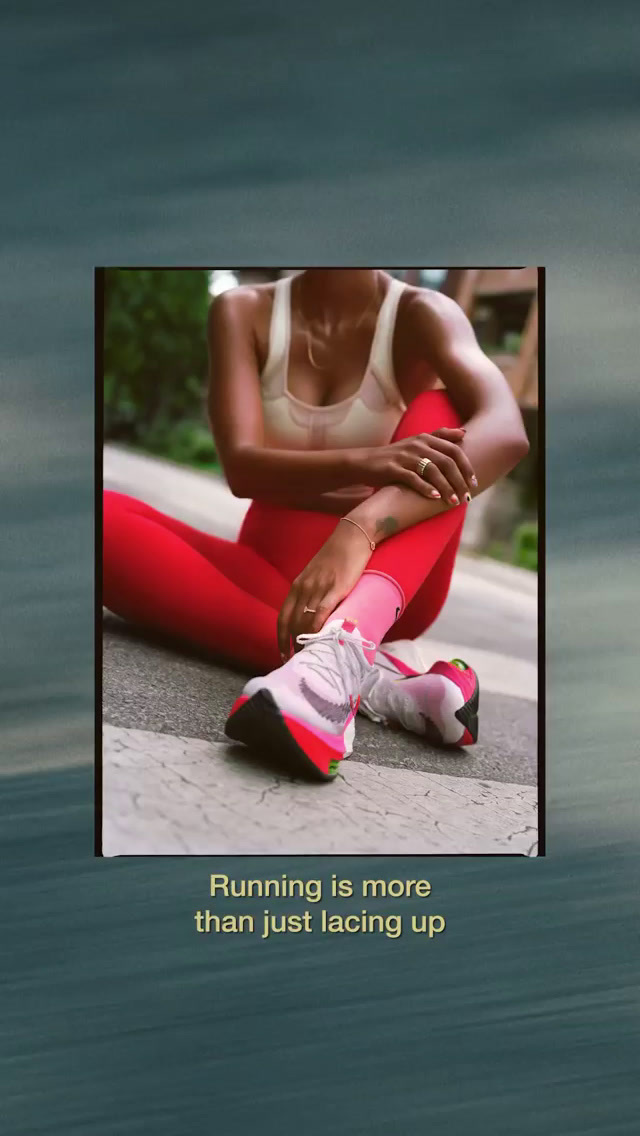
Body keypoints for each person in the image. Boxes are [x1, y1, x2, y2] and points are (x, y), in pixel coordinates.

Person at [104, 269, 529, 780]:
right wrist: (367, 461)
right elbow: (242, 467)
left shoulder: (423, 314)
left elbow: (506, 432)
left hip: (384, 575)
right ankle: (366, 675)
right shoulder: (243, 310)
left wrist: (362, 526)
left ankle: (351, 639)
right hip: (268, 565)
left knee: (451, 414)